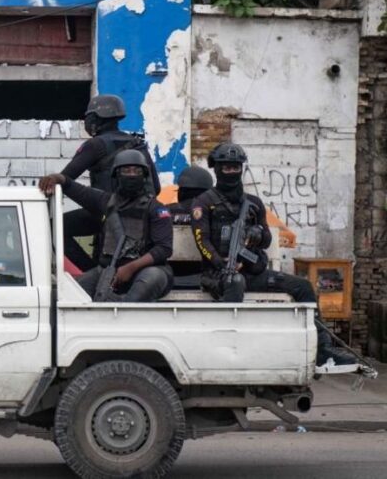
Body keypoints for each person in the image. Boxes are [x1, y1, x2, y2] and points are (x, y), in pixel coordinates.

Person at [191, 142, 356, 366]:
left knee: (303, 287)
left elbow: (268, 239)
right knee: (235, 281)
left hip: (251, 273)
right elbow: (202, 240)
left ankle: (323, 349)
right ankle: (228, 353)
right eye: (226, 167)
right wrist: (222, 264)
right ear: (216, 169)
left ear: (242, 168)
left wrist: (256, 233)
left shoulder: (253, 203)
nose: (231, 172)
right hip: (218, 275)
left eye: (235, 167)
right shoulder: (204, 202)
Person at [40, 150, 173, 302]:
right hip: (108, 271)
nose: (131, 175)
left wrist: (131, 268)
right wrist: (57, 178)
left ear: (144, 175)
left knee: (149, 280)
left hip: (147, 271)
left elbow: (164, 249)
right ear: (116, 175)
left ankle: (124, 315)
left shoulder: (157, 209)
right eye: (126, 170)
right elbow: (76, 189)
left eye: (136, 170)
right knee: (73, 295)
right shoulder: (106, 201)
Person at [60, 94, 161, 272]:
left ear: (95, 119)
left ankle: (90, 272)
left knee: (57, 227)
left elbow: (64, 179)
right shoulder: (138, 144)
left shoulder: (96, 145)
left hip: (106, 210)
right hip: (142, 214)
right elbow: (157, 188)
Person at [168, 165, 214, 288]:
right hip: (207, 274)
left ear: (182, 191)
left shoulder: (165, 211)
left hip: (170, 274)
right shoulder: (214, 214)